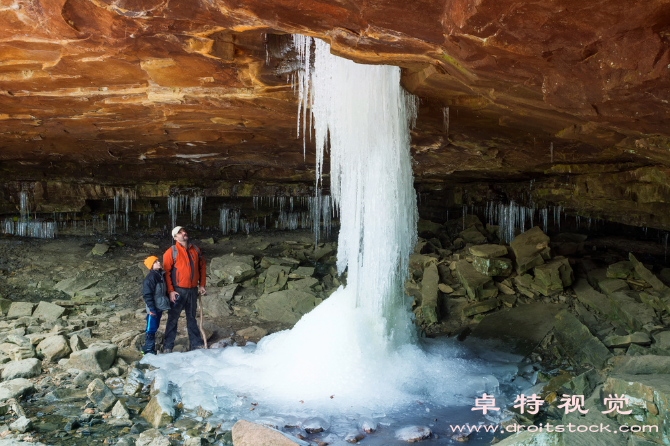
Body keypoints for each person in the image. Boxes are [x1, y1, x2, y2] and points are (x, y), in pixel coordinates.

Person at [162, 226, 207, 352]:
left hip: (193, 289)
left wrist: (202, 284)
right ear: (175, 237)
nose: (184, 233)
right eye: (180, 232)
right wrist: (170, 291)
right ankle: (168, 346)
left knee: (192, 317)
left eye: (184, 231)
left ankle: (196, 344)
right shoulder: (171, 252)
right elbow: (166, 273)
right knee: (173, 318)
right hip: (177, 290)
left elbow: (202, 268)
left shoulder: (196, 250)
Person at [141, 256, 167, 355]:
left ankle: (149, 348)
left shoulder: (160, 275)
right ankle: (148, 350)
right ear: (151, 265)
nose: (158, 262)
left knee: (155, 326)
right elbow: (147, 294)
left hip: (159, 306)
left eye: (158, 261)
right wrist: (152, 308)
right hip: (153, 307)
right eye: (155, 262)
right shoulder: (151, 277)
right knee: (150, 327)